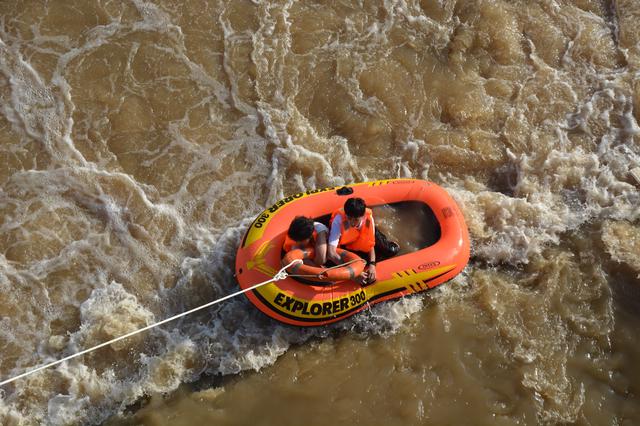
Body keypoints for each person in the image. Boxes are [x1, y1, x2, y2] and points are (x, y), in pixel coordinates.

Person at [327, 197, 399, 285]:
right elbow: (331, 253)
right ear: (346, 214)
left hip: (365, 235)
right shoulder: (338, 221)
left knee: (390, 251)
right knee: (330, 264)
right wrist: (353, 274)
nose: (352, 223)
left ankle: (390, 243)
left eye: (356, 219)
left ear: (363, 216)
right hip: (347, 243)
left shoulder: (368, 219)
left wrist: (372, 265)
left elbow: (370, 244)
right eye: (349, 218)